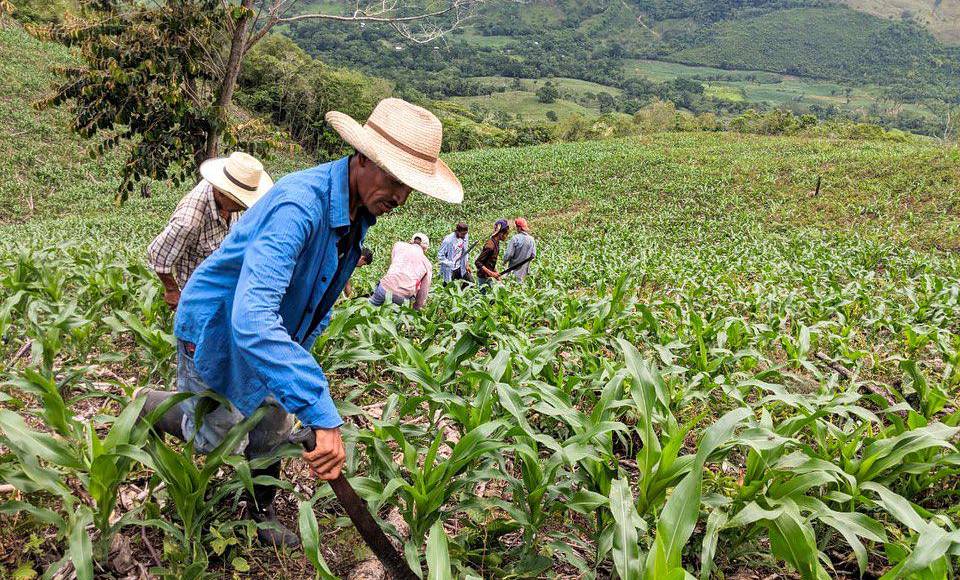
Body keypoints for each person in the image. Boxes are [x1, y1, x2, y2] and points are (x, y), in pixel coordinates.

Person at [135, 98, 463, 547]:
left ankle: (260, 512)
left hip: (272, 331)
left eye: (410, 187)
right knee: (214, 436)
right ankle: (150, 404)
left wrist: (297, 371)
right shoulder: (299, 205)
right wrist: (319, 408)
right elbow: (250, 317)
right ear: (363, 158)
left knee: (271, 424)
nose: (401, 198)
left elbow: (317, 294)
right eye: (396, 179)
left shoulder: (356, 211)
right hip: (217, 324)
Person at [146, 152, 272, 310]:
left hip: (221, 284)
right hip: (197, 295)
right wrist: (172, 290)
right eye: (241, 201)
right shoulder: (190, 220)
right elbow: (158, 254)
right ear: (222, 193)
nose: (245, 206)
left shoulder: (228, 202)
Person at [370, 234, 432, 310]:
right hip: (403, 297)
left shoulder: (398, 245)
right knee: (395, 319)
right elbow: (423, 292)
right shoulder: (427, 264)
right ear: (425, 248)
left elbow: (393, 263)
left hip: (384, 288)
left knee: (370, 309)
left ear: (411, 241)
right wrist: (416, 308)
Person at [475, 219, 509, 287]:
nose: (506, 237)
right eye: (506, 234)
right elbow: (478, 262)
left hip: (489, 277)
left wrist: (496, 273)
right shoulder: (490, 246)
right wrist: (491, 274)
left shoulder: (496, 242)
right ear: (501, 234)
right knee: (483, 297)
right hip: (483, 278)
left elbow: (491, 261)